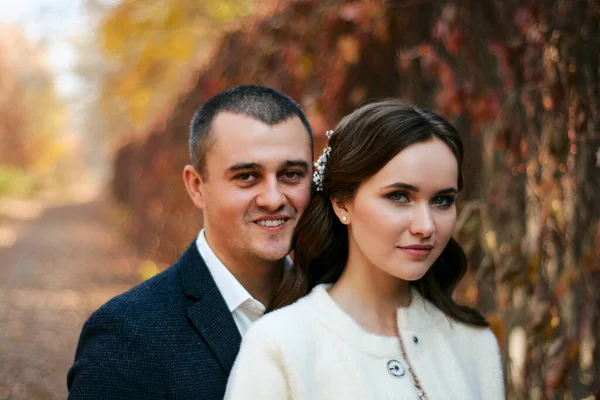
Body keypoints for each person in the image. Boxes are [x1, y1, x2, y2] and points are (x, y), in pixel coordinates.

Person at [225, 99, 505, 399]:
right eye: (399, 196)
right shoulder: (279, 345)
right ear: (342, 202)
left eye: (442, 200)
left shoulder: (474, 343)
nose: (426, 226)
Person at [67, 84, 314, 400]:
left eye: (291, 174)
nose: (273, 198)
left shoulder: (342, 306)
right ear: (197, 187)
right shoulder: (127, 336)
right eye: (246, 176)